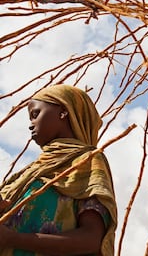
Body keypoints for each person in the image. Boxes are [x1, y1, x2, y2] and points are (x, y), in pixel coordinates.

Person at [0, 84, 117, 256]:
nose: (31, 125)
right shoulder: (31, 172)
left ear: (63, 112)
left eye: (35, 114)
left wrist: (14, 239)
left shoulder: (87, 161)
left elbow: (92, 239)